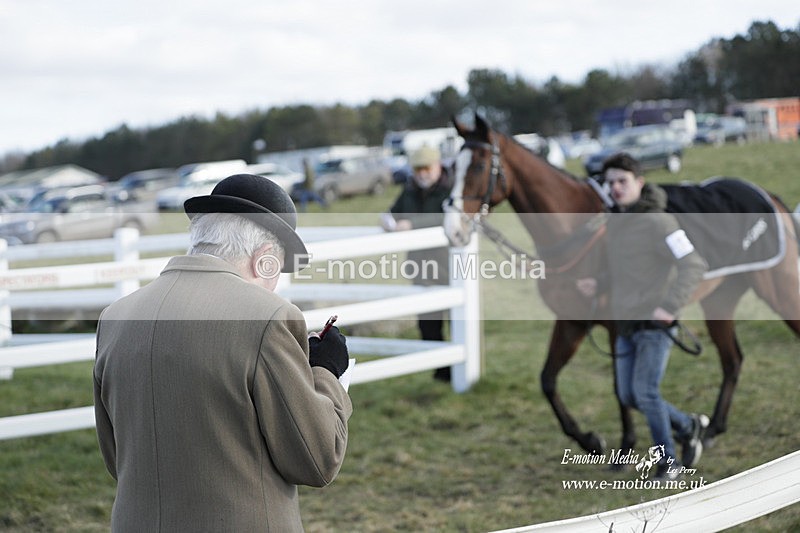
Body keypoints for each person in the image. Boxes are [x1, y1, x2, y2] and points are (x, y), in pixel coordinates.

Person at [93, 174, 352, 532]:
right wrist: (326, 371)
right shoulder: (268, 317)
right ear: (263, 258)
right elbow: (318, 458)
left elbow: (117, 458)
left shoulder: (116, 316)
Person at [576, 152, 709, 480]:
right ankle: (687, 425)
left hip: (654, 325)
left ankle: (669, 463)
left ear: (639, 182)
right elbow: (625, 270)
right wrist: (599, 283)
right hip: (625, 325)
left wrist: (670, 306)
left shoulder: (660, 222)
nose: (616, 188)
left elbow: (694, 264)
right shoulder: (617, 222)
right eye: (610, 183)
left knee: (646, 392)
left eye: (622, 181)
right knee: (629, 395)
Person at [381, 145, 453, 382]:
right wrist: (387, 221)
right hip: (420, 268)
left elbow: (449, 219)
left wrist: (413, 225)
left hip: (449, 267)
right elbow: (393, 213)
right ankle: (441, 373)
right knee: (428, 324)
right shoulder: (409, 189)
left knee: (457, 321)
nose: (422, 174)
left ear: (438, 166)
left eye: (426, 168)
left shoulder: (451, 189)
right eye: (417, 169)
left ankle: (461, 371)